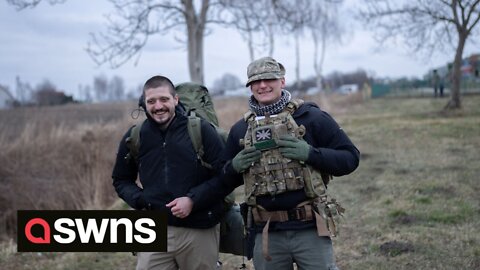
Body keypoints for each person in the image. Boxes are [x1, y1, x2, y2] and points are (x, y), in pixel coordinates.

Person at [220, 57, 360, 270]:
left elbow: (350, 158)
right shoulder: (241, 130)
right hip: (266, 232)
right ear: (250, 87)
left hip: (309, 229)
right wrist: (234, 167)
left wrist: (311, 154)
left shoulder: (311, 117)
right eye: (255, 82)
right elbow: (222, 180)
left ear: (282, 82)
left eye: (269, 79)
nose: (262, 85)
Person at [111, 75, 225, 270]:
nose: (158, 106)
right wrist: (142, 200)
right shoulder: (135, 136)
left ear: (175, 99)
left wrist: (192, 200)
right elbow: (121, 179)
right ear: (144, 103)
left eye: (164, 99)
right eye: (151, 101)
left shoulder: (201, 130)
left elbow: (225, 176)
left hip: (199, 229)